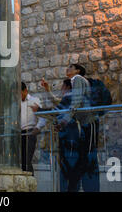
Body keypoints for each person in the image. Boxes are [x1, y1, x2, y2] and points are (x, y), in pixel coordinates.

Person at [40, 64, 100, 192]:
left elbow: (76, 102)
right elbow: (61, 102)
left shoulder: (78, 79)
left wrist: (64, 121)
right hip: (83, 124)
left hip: (89, 122)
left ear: (78, 71)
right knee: (83, 156)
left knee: (89, 156)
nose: (68, 69)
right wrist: (48, 90)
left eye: (71, 67)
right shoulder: (74, 83)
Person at [20, 81, 46, 174]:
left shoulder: (34, 100)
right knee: (19, 161)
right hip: (18, 133)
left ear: (25, 91)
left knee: (27, 161)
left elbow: (42, 117)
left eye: (19, 93)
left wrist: (37, 128)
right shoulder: (15, 103)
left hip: (29, 132)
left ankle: (30, 183)